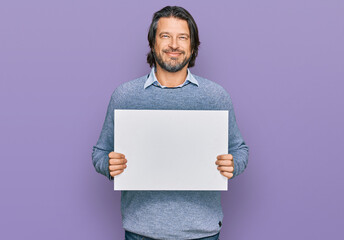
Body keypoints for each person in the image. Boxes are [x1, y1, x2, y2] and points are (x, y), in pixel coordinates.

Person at [92, 5, 249, 240]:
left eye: (182, 37)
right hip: (141, 232)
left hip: (202, 232)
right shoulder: (125, 96)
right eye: (165, 36)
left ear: (193, 46)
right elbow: (100, 152)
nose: (174, 44)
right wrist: (109, 165)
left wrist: (234, 164)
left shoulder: (215, 96)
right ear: (153, 43)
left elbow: (240, 149)